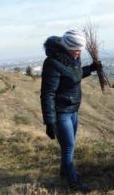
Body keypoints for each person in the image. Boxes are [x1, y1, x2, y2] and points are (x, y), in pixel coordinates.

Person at [40, 30, 100, 192]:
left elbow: (75, 74)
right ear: (67, 47)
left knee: (68, 144)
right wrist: (50, 121)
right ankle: (73, 183)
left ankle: (64, 172)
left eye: (81, 49)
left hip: (73, 109)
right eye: (76, 49)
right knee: (68, 147)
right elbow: (48, 94)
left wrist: (91, 68)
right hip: (61, 112)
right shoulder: (52, 63)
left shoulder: (74, 58)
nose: (79, 52)